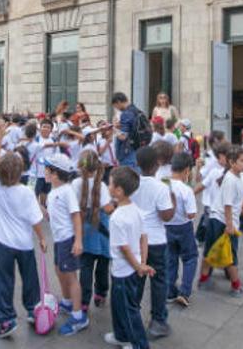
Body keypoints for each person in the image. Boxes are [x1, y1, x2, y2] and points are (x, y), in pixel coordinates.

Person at [0, 128, 46, 338]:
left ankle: (6, 320)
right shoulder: (26, 192)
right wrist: (42, 238)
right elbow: (36, 219)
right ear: (21, 171)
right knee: (30, 278)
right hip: (24, 243)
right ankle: (33, 309)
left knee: (3, 280)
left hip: (3, 243)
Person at [197, 145, 243, 297]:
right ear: (232, 162)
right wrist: (230, 226)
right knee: (230, 256)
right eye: (242, 161)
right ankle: (236, 287)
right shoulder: (231, 180)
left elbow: (240, 198)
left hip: (219, 220)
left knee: (211, 251)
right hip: (222, 222)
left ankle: (204, 280)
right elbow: (228, 205)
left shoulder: (236, 176)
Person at [104, 166, 153, 349]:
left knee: (129, 310)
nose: (108, 185)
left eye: (109, 183)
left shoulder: (117, 217)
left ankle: (140, 344)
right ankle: (121, 335)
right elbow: (144, 237)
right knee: (118, 306)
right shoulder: (137, 211)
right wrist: (142, 263)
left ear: (118, 190)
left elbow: (123, 248)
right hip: (131, 268)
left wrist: (139, 266)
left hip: (124, 272)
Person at [42, 152, 90, 336]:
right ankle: (68, 302)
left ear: (54, 173)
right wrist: (43, 210)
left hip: (68, 239)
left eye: (46, 169)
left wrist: (78, 240)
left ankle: (79, 316)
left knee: (71, 277)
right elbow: (55, 215)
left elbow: (76, 216)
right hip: (59, 239)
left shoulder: (66, 191)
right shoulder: (54, 191)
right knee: (58, 269)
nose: (44, 172)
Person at [131, 146, 174, 338]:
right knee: (159, 281)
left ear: (137, 164)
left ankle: (132, 317)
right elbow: (166, 216)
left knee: (137, 279)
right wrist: (172, 197)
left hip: (136, 239)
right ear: (157, 164)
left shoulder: (131, 184)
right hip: (156, 240)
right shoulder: (161, 187)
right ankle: (158, 321)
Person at [72, 150, 115, 311]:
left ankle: (84, 301)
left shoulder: (76, 184)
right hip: (102, 230)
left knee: (86, 267)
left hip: (84, 229)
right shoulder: (101, 185)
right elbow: (108, 208)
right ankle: (101, 294)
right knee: (103, 266)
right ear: (97, 166)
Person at [164, 152, 199, 307]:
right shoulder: (186, 190)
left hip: (166, 227)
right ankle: (184, 292)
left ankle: (170, 291)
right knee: (190, 258)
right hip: (184, 227)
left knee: (170, 259)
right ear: (187, 170)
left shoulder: (163, 184)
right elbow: (191, 213)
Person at [111, 92, 142, 170]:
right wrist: (119, 126)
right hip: (137, 148)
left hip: (128, 152)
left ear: (118, 102)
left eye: (115, 106)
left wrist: (112, 128)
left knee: (128, 177)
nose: (117, 109)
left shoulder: (126, 113)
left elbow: (123, 136)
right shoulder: (136, 110)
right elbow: (132, 128)